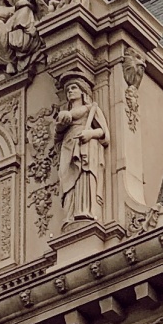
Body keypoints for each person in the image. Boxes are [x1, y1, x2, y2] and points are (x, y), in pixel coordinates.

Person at [57, 76, 110, 224]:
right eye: (67, 89)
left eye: (74, 88)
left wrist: (90, 134)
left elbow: (104, 133)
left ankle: (84, 210)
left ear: (83, 92)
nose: (70, 91)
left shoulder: (91, 109)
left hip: (84, 146)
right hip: (68, 146)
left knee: (83, 175)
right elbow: (57, 137)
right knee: (67, 180)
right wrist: (60, 127)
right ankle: (69, 216)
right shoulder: (65, 114)